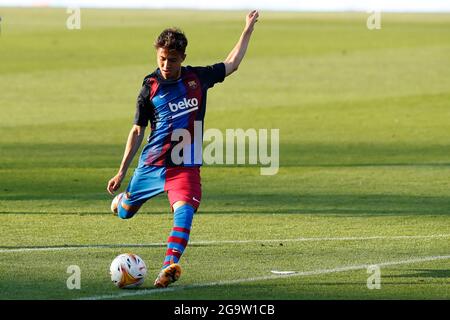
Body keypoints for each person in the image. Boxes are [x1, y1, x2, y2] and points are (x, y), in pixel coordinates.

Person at [107, 10, 259, 288]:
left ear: (183, 59)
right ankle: (123, 201)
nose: (166, 64)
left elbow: (232, 63)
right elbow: (138, 130)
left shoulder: (197, 79)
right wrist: (120, 172)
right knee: (126, 211)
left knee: (185, 211)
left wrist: (247, 29)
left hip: (185, 164)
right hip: (152, 164)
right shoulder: (149, 88)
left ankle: (168, 266)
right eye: (162, 58)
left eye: (172, 60)